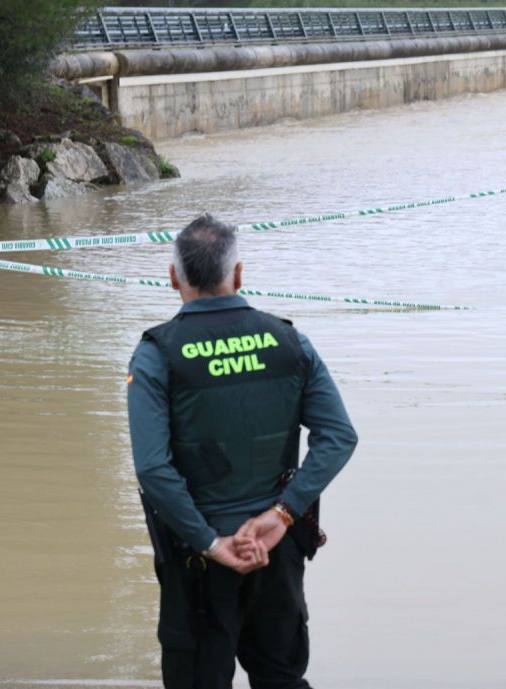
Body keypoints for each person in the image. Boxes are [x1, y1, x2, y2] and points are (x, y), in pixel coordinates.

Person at [126, 213, 358, 689]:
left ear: (173, 278)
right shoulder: (290, 342)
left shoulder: (157, 355)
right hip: (277, 551)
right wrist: (283, 515)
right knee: (281, 678)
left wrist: (212, 543)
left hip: (197, 560)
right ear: (238, 275)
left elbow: (153, 468)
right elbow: (338, 437)